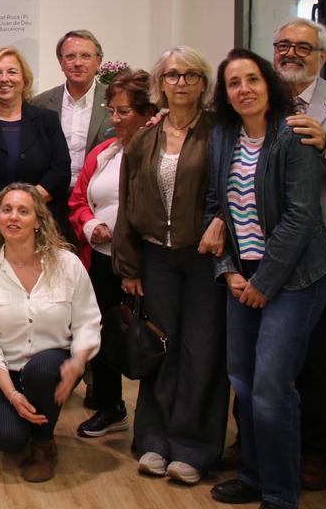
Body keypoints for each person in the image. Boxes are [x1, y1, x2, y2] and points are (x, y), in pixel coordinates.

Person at [205, 49, 326, 509]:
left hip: (295, 279)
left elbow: (301, 218)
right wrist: (228, 273)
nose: (244, 89)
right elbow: (214, 208)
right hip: (242, 275)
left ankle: (281, 494)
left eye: (252, 79)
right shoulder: (223, 137)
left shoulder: (293, 133)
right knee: (242, 380)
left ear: (269, 84)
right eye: (234, 83)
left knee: (270, 388)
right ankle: (254, 475)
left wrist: (265, 283)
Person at [112, 45, 226, 485]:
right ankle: (155, 440)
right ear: (160, 83)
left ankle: (194, 448)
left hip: (203, 259)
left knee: (202, 352)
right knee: (159, 348)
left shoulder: (219, 134)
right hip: (156, 257)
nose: (181, 83)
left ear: (203, 84)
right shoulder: (145, 138)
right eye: (173, 75)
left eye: (191, 75)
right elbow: (127, 203)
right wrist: (129, 264)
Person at [271, 19, 326, 488]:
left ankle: (311, 452)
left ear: (322, 55)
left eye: (301, 47)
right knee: (262, 357)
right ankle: (257, 443)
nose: (290, 53)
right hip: (267, 254)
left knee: (316, 358)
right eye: (282, 45)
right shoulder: (261, 99)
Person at [0, 185, 100, 482]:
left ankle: (44, 443)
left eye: (23, 211)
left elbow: (88, 321)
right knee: (8, 440)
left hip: (55, 366)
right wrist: (12, 396)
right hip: (6, 372)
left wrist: (78, 361)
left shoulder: (67, 264)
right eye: (6, 210)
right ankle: (25, 418)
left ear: (39, 221)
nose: (13, 217)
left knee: (40, 370)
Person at [67, 70, 156, 438]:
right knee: (102, 328)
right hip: (101, 258)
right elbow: (78, 199)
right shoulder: (105, 152)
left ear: (147, 112)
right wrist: (89, 226)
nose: (114, 119)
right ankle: (109, 405)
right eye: (112, 111)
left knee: (148, 337)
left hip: (150, 262)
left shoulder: (160, 149)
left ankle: (155, 418)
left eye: (122, 112)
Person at [0, 46, 71, 241]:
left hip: (43, 223)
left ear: (24, 80)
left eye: (12, 72)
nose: (4, 79)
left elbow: (61, 171)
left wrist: (24, 205)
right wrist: (3, 207)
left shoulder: (47, 119)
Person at [35, 30, 115, 193]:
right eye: (70, 56)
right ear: (60, 61)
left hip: (97, 197)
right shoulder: (40, 103)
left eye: (86, 56)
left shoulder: (114, 102)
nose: (78, 63)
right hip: (50, 197)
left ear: (98, 61)